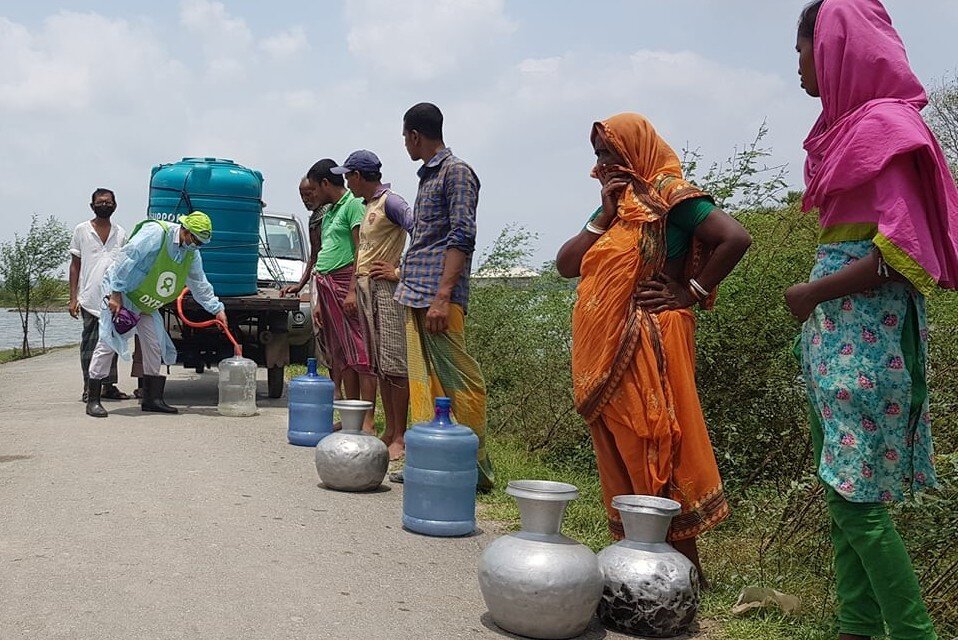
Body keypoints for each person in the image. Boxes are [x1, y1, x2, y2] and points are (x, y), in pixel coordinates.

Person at [786, 1, 958, 637]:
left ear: (833, 48)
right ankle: (856, 627)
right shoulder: (849, 133)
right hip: (841, 338)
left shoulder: (886, 129)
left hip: (868, 337)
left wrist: (814, 292)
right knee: (842, 498)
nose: (799, 65)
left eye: (802, 49)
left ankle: (915, 634)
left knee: (859, 506)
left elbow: (903, 253)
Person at [555, 113, 752, 581]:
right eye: (598, 155)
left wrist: (692, 292)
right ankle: (635, 565)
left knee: (657, 445)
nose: (600, 165)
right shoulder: (617, 206)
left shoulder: (669, 194)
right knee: (624, 451)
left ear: (635, 150)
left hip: (650, 344)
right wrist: (602, 216)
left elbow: (735, 237)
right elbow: (567, 264)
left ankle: (683, 571)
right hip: (606, 355)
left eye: (608, 153)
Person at [393, 102, 494, 490]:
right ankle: (427, 458)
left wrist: (442, 296)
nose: (405, 143)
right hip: (416, 293)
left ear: (415, 135)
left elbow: (461, 236)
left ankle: (474, 467)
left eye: (405, 136)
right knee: (424, 383)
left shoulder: (458, 172)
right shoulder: (427, 177)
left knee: (459, 382)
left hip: (438, 297)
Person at [85, 212, 227, 418]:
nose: (196, 245)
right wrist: (115, 293)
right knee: (109, 342)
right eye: (195, 239)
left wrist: (217, 309)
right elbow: (126, 259)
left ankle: (152, 399)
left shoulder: (191, 252)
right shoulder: (156, 233)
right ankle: (93, 399)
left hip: (146, 301)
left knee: (153, 345)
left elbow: (199, 283)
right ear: (185, 230)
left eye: (201, 243)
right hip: (123, 293)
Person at [333, 150, 414, 461]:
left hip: (386, 289)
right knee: (380, 365)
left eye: (348, 176)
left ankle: (401, 435)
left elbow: (420, 231)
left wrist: (399, 272)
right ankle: (389, 430)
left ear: (357, 176)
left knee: (395, 364)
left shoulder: (391, 202)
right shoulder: (368, 206)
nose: (347, 182)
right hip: (367, 286)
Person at [306, 159, 377, 432]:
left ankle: (368, 420)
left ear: (325, 184)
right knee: (341, 355)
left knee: (360, 352)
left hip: (345, 282)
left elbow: (361, 249)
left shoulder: (352, 206)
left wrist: (351, 291)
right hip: (326, 286)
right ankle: (351, 415)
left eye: (314, 187)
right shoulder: (330, 210)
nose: (312, 194)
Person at [69, 188, 129, 402]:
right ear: (92, 205)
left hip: (112, 299)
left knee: (110, 344)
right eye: (100, 202)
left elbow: (124, 267)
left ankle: (109, 386)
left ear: (115, 205)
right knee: (90, 344)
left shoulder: (121, 233)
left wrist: (120, 296)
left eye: (109, 202)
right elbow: (75, 265)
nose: (105, 205)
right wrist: (73, 298)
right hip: (89, 298)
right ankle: (89, 387)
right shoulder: (82, 230)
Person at [281, 177, 333, 371]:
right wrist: (301, 285)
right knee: (321, 333)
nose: (306, 199)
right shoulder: (315, 218)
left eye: (309, 194)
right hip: (318, 279)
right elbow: (313, 256)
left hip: (332, 278)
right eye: (302, 195)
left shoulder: (330, 215)